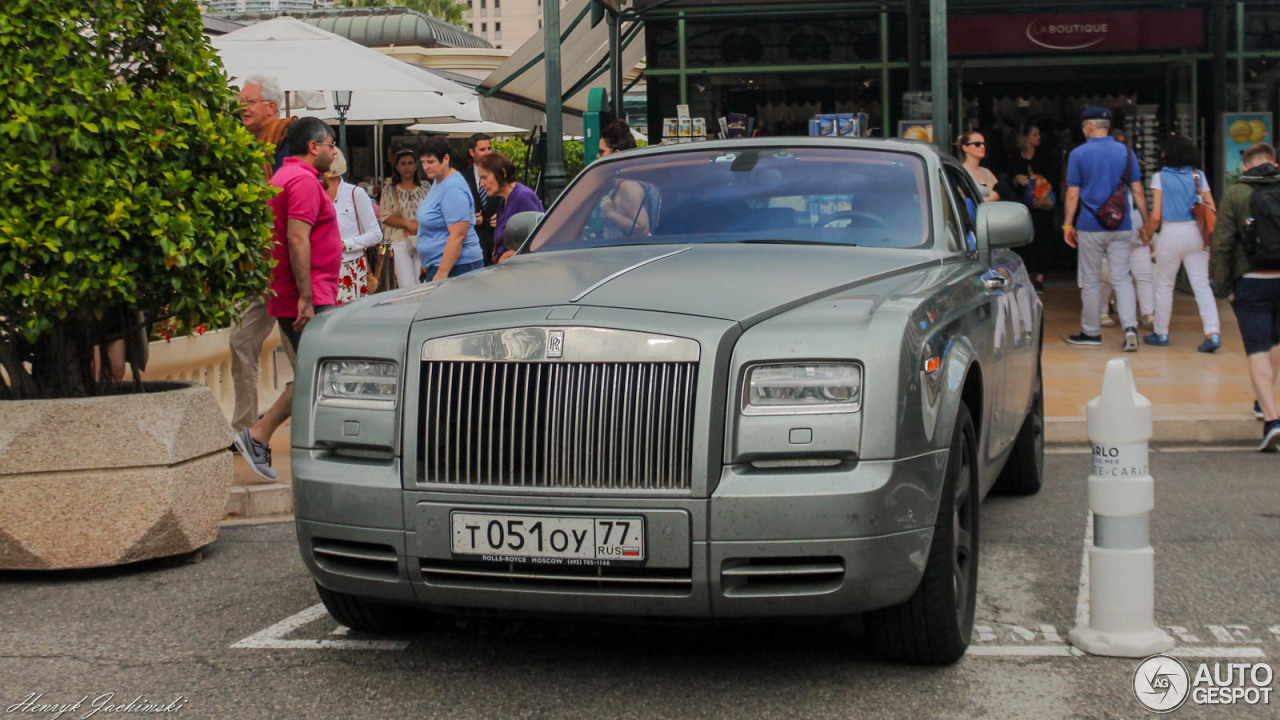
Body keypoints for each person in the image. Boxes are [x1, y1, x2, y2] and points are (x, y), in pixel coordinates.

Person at [232, 117, 343, 480]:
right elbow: (297, 238)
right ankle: (258, 435)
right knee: (316, 373)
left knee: (317, 372)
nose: (333, 151)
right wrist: (307, 298)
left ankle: (319, 447)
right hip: (307, 295)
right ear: (314, 147)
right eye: (330, 144)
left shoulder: (283, 177)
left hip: (296, 292)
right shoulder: (302, 181)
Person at [229, 74, 295, 433]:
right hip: (255, 263)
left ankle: (308, 426)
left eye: (249, 101)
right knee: (240, 341)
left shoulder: (288, 142)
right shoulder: (239, 146)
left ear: (271, 106)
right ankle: (242, 428)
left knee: (301, 355)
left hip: (286, 265)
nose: (242, 107)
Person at [1210, 142, 1280, 451]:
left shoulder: (1237, 193)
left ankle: (1272, 419)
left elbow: (1222, 243)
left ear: (1246, 166)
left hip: (1251, 280)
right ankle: (1260, 400)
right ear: (1273, 163)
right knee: (1276, 344)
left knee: (1256, 349)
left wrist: (1223, 288)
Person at [1063, 106, 1149, 351]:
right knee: (1122, 278)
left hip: (1090, 225)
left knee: (1091, 280)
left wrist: (1068, 224)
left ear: (1089, 126)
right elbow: (1138, 191)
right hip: (1122, 225)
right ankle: (1130, 328)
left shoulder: (1078, 154)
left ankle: (1091, 332)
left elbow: (1072, 193)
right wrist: (1148, 223)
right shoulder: (1127, 152)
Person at [1139, 134, 1221, 352]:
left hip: (1171, 233)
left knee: (1165, 284)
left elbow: (1156, 216)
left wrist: (1147, 234)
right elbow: (1211, 208)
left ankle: (1161, 332)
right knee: (1202, 285)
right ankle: (1212, 333)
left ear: (1167, 154)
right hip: (1196, 233)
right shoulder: (1198, 175)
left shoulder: (1159, 177)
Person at [1098, 128, 1155, 330]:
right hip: (1113, 223)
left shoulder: (1129, 165)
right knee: (1108, 275)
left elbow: (1137, 191)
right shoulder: (1103, 167)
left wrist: (1147, 225)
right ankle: (1102, 311)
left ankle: (1147, 312)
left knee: (1143, 272)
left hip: (1131, 224)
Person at [417, 135, 485, 281]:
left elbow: (458, 234)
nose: (425, 166)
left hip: (459, 267)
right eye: (423, 162)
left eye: (430, 162)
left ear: (446, 159)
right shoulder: (439, 179)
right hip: (443, 265)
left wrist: (442, 273)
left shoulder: (452, 188)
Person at [323, 148, 382, 305]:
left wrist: (346, 244)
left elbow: (376, 234)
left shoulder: (355, 193)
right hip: (322, 268)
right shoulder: (314, 192)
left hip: (351, 266)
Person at [1007, 122, 1060, 293]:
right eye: (1034, 135)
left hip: (1042, 206)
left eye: (1038, 135)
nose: (1038, 138)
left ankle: (1040, 278)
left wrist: (1043, 197)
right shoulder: (1015, 157)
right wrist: (1017, 179)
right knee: (1025, 242)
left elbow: (1053, 179)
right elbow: (1009, 182)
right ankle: (1028, 275)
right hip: (1023, 208)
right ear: (1026, 138)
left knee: (1042, 240)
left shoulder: (1045, 156)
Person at [477, 151, 544, 262]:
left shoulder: (523, 197)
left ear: (503, 173)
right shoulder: (503, 201)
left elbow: (536, 240)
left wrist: (508, 256)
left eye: (484, 178)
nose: (481, 184)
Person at [380, 149, 429, 289]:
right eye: (402, 163)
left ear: (416, 165)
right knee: (406, 285)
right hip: (399, 240)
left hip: (423, 238)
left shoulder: (425, 187)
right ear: (397, 167)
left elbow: (434, 211)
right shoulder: (389, 190)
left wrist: (419, 226)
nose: (406, 167)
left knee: (424, 283)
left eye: (410, 163)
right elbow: (385, 215)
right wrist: (407, 224)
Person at [596, 119, 652, 237]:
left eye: (602, 152)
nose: (598, 156)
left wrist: (611, 214)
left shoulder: (628, 187)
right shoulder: (622, 183)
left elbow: (642, 228)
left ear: (616, 154)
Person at [459, 133, 501, 265]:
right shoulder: (462, 178)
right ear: (472, 152)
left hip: (497, 244)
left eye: (489, 148)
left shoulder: (502, 174)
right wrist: (471, 218)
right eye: (482, 149)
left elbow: (510, 201)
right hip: (474, 247)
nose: (487, 153)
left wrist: (502, 216)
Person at [957, 131, 1000, 202]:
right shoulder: (961, 172)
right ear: (965, 148)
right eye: (977, 144)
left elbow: (1001, 192)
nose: (982, 147)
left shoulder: (986, 172)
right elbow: (964, 202)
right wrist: (990, 199)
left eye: (984, 144)